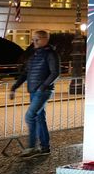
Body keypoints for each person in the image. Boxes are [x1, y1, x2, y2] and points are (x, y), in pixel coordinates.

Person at [9, 30, 60, 158]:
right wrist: (15, 86)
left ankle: (32, 147)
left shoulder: (51, 54)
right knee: (39, 118)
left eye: (37, 39)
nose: (34, 42)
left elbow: (55, 73)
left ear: (45, 39)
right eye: (33, 39)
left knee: (30, 116)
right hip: (34, 91)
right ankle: (44, 147)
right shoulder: (34, 54)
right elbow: (26, 73)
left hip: (42, 91)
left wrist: (42, 87)